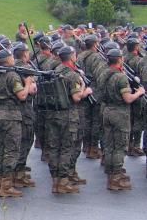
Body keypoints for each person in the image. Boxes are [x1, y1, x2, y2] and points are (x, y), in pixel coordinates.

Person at [0, 48, 36, 197]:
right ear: (8, 60)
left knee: (0, 150)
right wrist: (28, 83)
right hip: (11, 115)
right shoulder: (12, 76)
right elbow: (22, 95)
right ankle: (6, 186)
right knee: (11, 150)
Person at [47, 45, 92, 194]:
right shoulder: (73, 75)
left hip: (53, 114)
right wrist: (85, 90)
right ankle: (63, 181)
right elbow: (76, 97)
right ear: (72, 57)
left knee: (54, 148)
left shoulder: (54, 72)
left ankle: (55, 180)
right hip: (68, 115)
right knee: (67, 148)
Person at [102, 47, 144, 189]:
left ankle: (110, 172)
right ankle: (116, 177)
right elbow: (128, 98)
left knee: (109, 144)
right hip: (120, 113)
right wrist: (139, 93)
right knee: (120, 146)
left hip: (107, 110)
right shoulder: (120, 77)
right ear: (119, 59)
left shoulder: (104, 73)